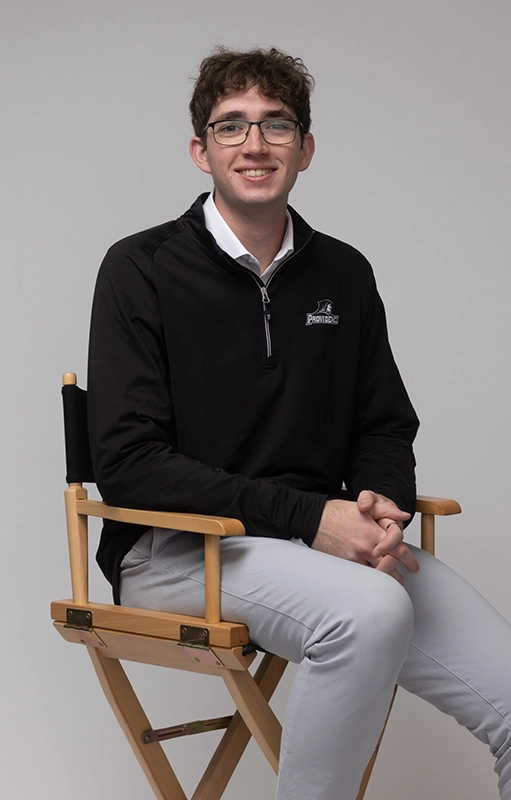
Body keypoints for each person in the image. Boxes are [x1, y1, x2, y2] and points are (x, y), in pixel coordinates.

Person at [87, 47, 511, 800]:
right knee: (371, 610)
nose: (255, 143)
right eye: (231, 126)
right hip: (177, 551)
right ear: (201, 151)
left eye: (276, 124)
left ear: (305, 148)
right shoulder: (140, 268)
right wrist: (310, 515)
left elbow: (382, 419)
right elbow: (126, 461)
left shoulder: (342, 271)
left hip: (319, 549)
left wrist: (380, 497)